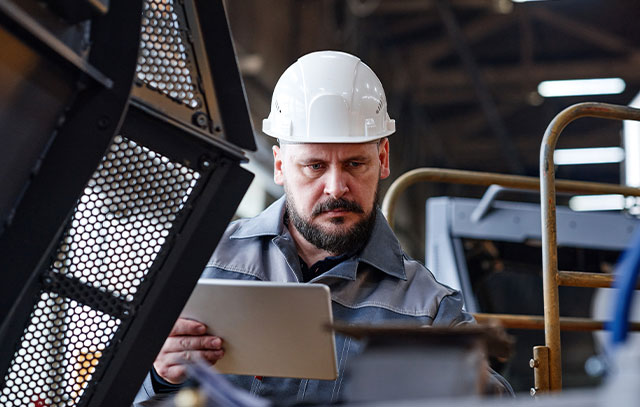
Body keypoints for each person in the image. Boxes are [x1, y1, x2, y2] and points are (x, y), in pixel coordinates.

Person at [134, 50, 512, 405]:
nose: (336, 187)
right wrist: (158, 376)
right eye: (315, 166)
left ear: (382, 159)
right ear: (280, 166)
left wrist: (467, 385)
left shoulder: (427, 309)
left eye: (354, 164)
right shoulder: (201, 262)